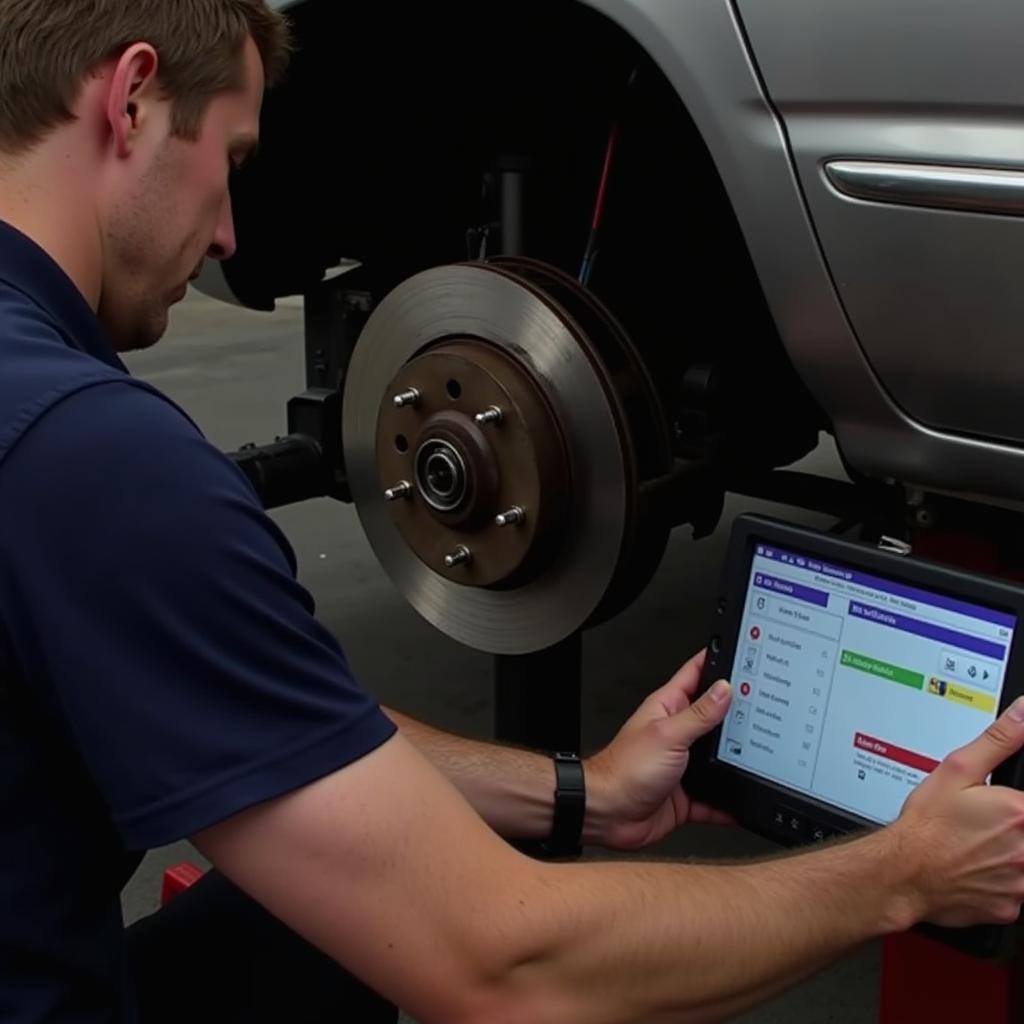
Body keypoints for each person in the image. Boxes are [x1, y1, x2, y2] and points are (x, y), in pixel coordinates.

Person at [2, 3, 1024, 1022]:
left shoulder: (53, 432)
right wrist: (900, 873)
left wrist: (582, 792)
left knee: (310, 923)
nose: (230, 227)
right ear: (131, 99)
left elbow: (275, 729)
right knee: (386, 931)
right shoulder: (100, 467)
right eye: (230, 157)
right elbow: (504, 965)